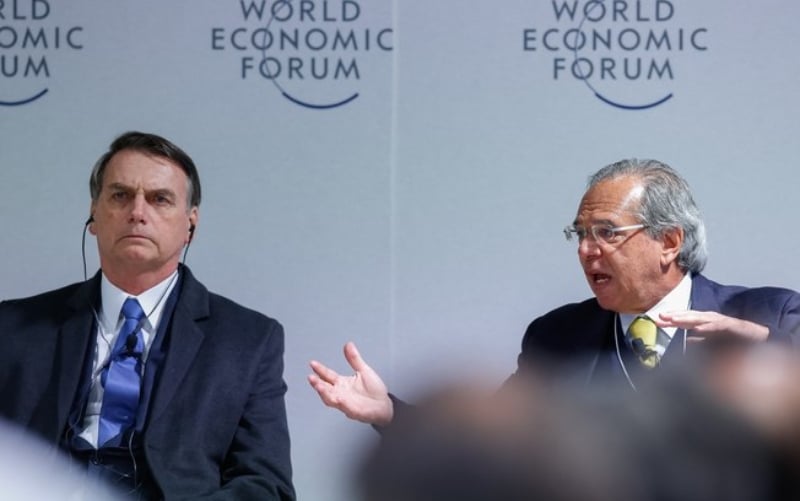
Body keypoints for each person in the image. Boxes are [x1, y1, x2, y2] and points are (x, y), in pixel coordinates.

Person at [308, 158, 800, 426]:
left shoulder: (771, 315)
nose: (587, 251)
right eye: (580, 234)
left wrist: (766, 351)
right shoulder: (559, 335)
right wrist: (390, 413)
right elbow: (496, 440)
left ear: (669, 241)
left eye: (608, 233)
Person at [0, 131, 295, 500]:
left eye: (159, 199)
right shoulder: (13, 328)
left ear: (190, 224)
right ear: (94, 214)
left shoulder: (248, 340)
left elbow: (266, 486)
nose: (137, 213)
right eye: (120, 196)